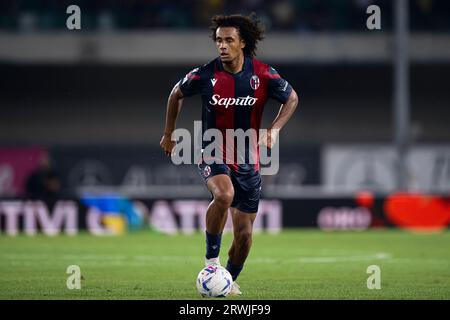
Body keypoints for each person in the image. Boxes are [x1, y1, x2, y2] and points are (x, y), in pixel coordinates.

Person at [160, 14, 298, 296]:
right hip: (213, 148)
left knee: (245, 236)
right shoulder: (205, 74)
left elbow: (292, 97)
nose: (222, 46)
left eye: (228, 40)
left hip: (248, 158)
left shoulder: (262, 75)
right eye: (219, 40)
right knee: (224, 195)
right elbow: (176, 93)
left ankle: (226, 281)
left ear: (242, 43)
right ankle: (211, 262)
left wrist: (274, 129)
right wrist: (169, 132)